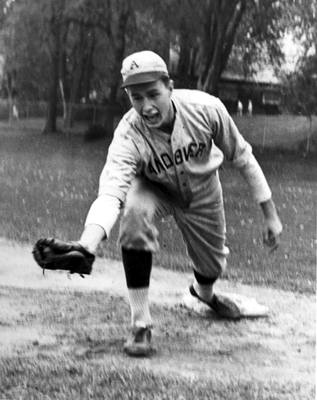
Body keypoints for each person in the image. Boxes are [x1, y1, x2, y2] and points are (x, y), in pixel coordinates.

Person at [77, 50, 283, 357]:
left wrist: (271, 215)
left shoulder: (206, 108)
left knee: (212, 266)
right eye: (136, 97)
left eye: (152, 94)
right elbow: (111, 194)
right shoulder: (128, 134)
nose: (145, 106)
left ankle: (203, 293)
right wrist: (87, 244)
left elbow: (243, 158)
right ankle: (141, 324)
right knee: (134, 213)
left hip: (203, 191)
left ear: (169, 86)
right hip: (155, 190)